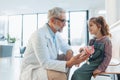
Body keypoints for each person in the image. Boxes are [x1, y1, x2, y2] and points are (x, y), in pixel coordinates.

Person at [19, 7, 89, 80]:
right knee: (60, 76)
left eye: (65, 21)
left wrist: (70, 52)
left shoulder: (56, 34)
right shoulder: (39, 35)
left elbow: (66, 47)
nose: (65, 24)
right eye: (63, 21)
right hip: (34, 69)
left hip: (45, 66)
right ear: (52, 20)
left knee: (66, 57)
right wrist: (70, 62)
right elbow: (45, 63)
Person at [71, 16, 112, 80]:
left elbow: (108, 57)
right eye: (88, 26)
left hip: (97, 65)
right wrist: (83, 51)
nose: (89, 28)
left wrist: (100, 69)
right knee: (76, 73)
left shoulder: (106, 41)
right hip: (90, 63)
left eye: (91, 25)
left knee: (77, 73)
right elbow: (88, 54)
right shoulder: (92, 41)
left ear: (99, 26)